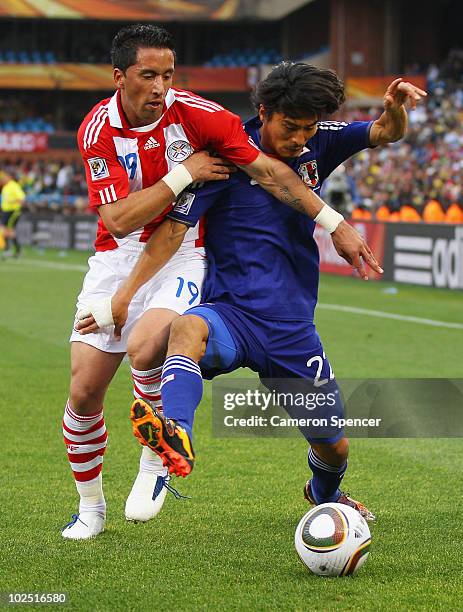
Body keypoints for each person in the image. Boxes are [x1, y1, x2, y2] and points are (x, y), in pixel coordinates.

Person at [63, 26, 377, 540]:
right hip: (123, 254)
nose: (162, 86)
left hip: (212, 273)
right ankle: (97, 504)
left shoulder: (208, 119)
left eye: (168, 74)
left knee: (148, 349)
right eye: (148, 76)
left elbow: (277, 175)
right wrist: (183, 173)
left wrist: (335, 223)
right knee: (84, 389)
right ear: (119, 77)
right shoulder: (97, 130)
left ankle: (156, 462)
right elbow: (119, 220)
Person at [0, 171, 26, 257]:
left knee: (7, 230)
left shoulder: (14, 186)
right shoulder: (5, 187)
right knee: (6, 230)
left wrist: (12, 201)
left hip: (13, 211)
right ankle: (15, 249)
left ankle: (11, 249)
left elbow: (22, 199)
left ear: (9, 177)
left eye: (4, 177)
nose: (2, 179)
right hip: (5, 211)